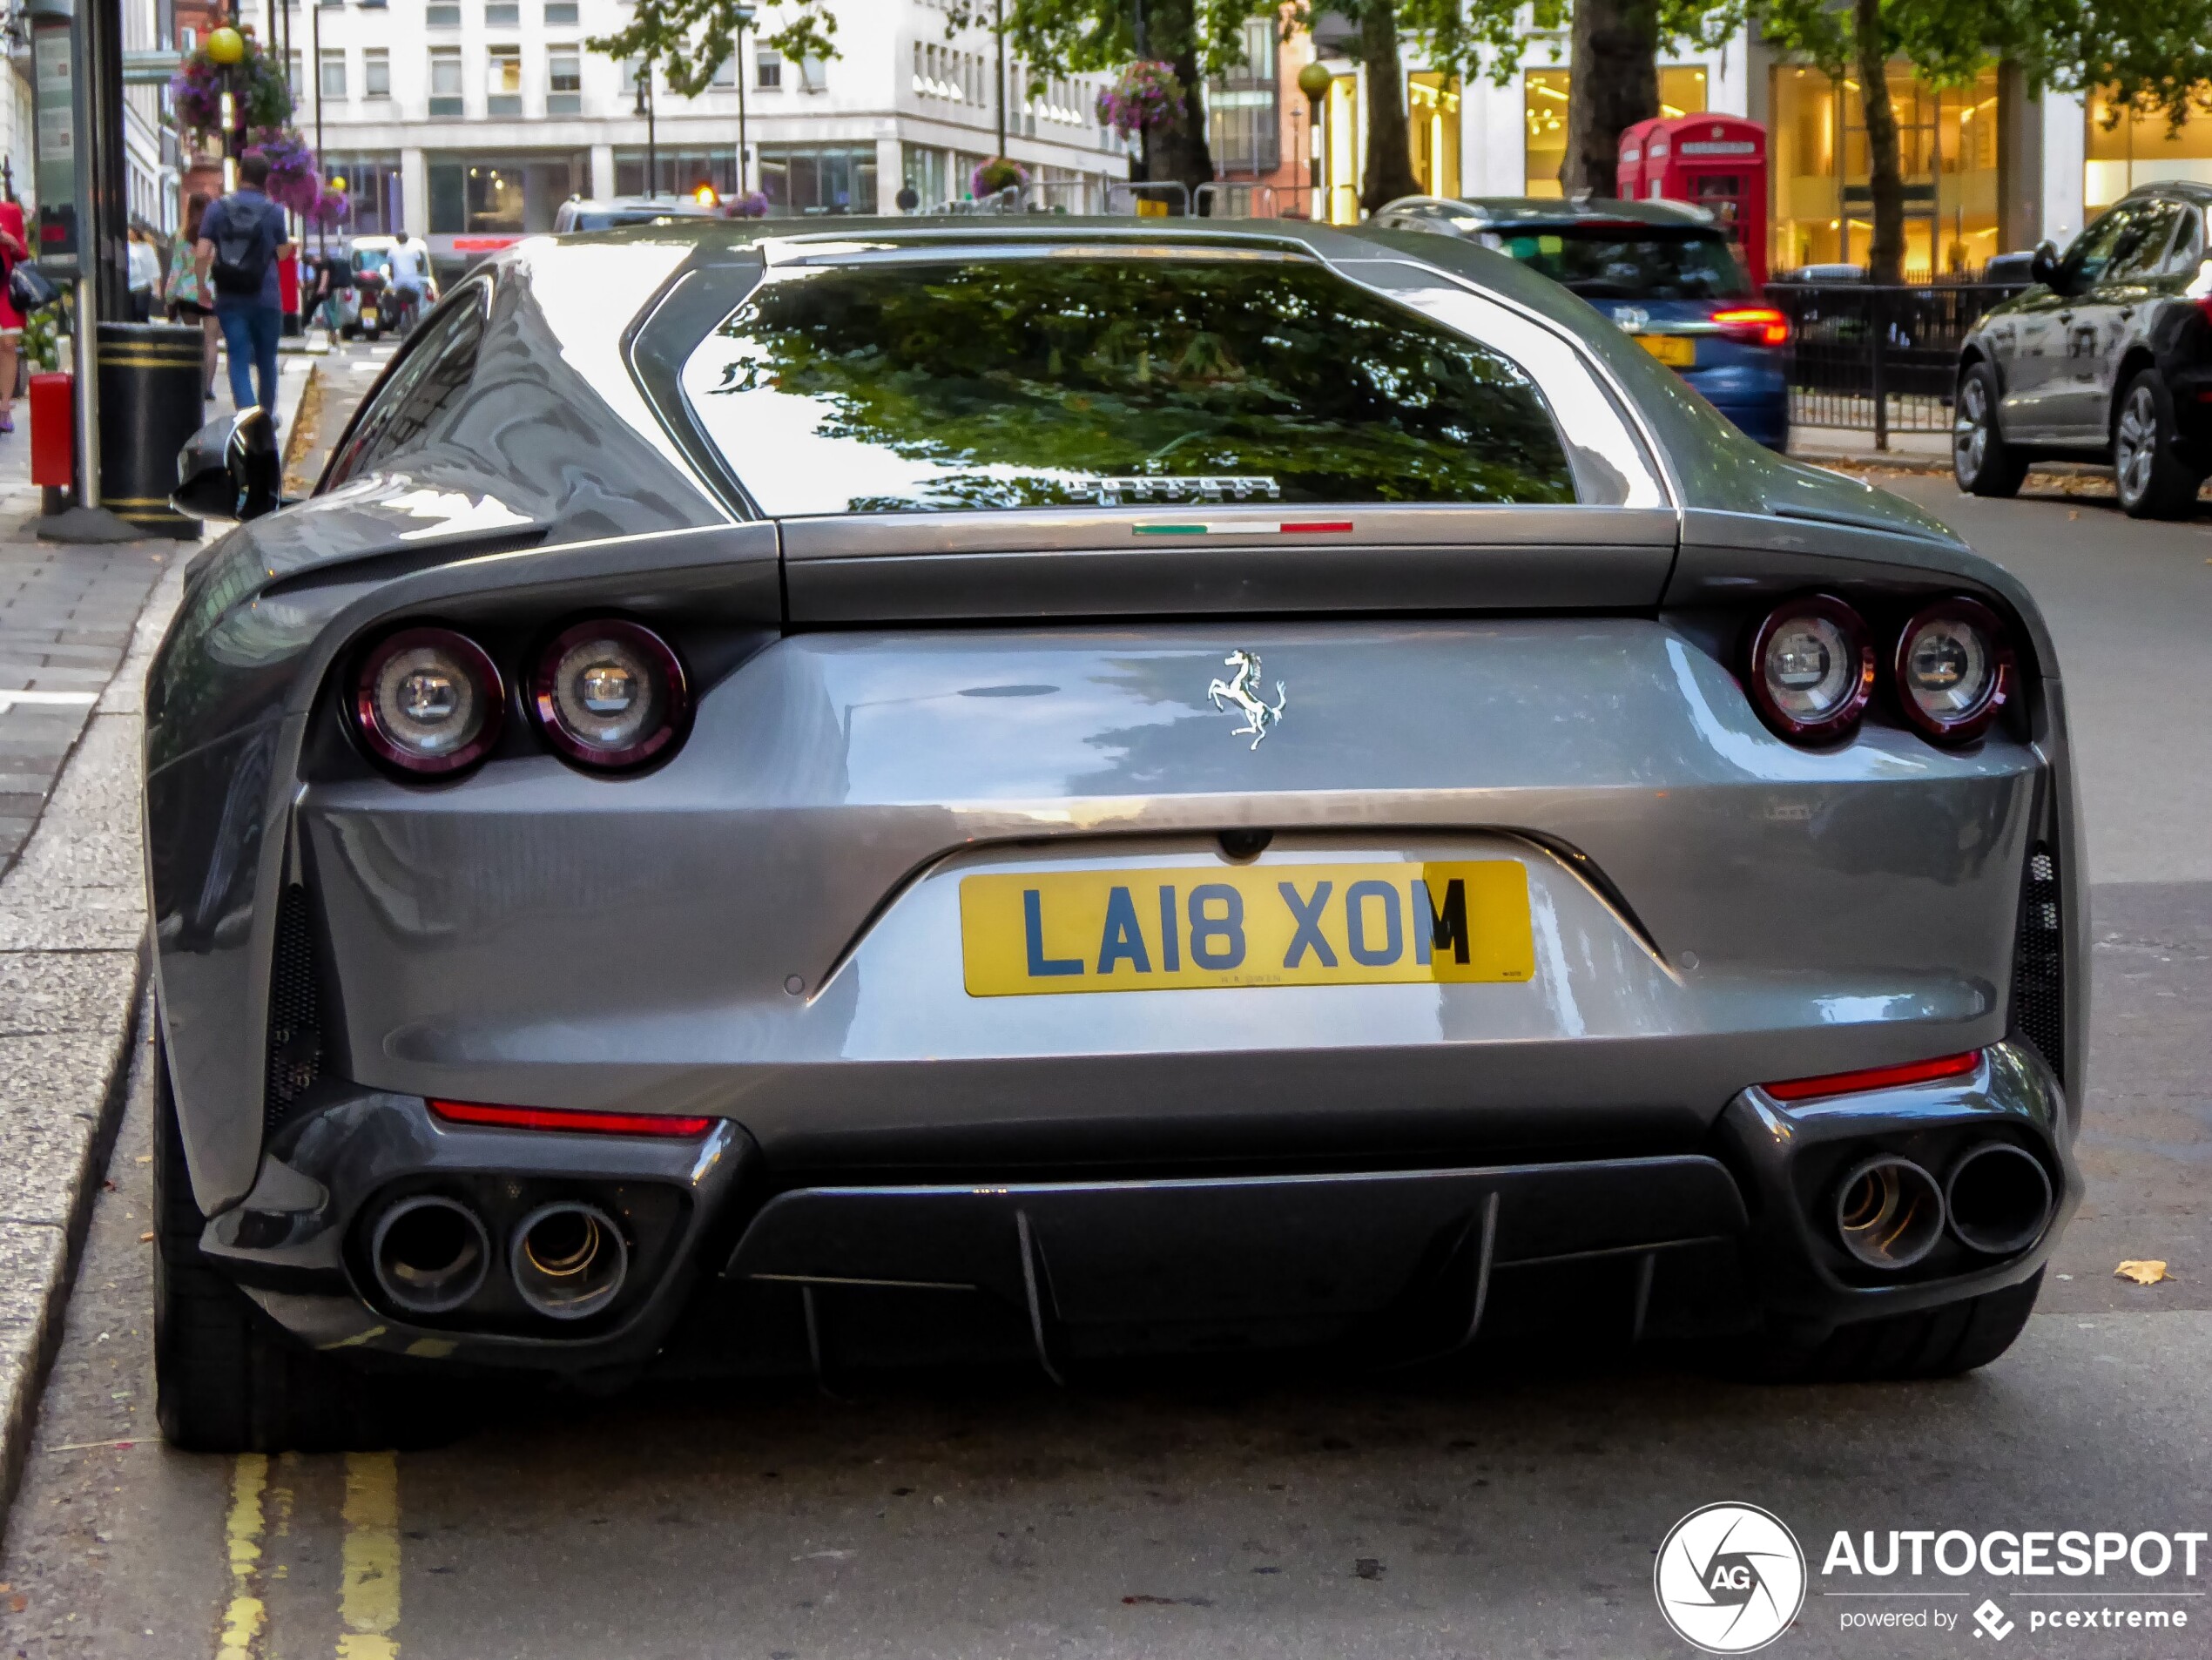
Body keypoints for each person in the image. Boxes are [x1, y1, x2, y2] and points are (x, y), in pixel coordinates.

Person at [196, 153, 293, 416]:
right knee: (266, 362)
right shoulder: (275, 212)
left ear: (239, 174)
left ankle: (249, 419)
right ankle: (267, 416)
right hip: (267, 295)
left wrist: (201, 285)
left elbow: (202, 251)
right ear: (265, 180)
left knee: (237, 359)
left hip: (230, 296)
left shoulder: (216, 209)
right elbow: (283, 252)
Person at [168, 193, 219, 399]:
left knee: (193, 340)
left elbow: (175, 272)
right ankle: (207, 387)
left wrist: (169, 298)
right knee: (211, 342)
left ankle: (193, 383)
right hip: (211, 294)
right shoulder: (216, 238)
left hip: (188, 294)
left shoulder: (183, 239)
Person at [0, 196, 26, 436]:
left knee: (8, 344)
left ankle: (4, 407)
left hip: (5, 287)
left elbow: (23, 251)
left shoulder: (10, 211)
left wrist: (11, 242)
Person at [387, 230, 435, 331]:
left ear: (397, 240)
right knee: (414, 301)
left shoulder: (392, 250)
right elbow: (420, 265)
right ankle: (416, 322)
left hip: (399, 285)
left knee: (397, 300)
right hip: (413, 284)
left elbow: (390, 268)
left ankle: (397, 324)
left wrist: (393, 277)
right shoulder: (414, 249)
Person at [127, 226, 162, 322]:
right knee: (131, 314)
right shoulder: (126, 246)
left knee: (141, 310)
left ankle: (144, 330)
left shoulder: (146, 248)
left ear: (136, 232)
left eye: (129, 231)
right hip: (129, 284)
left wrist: (157, 286)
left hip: (143, 284)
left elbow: (154, 266)